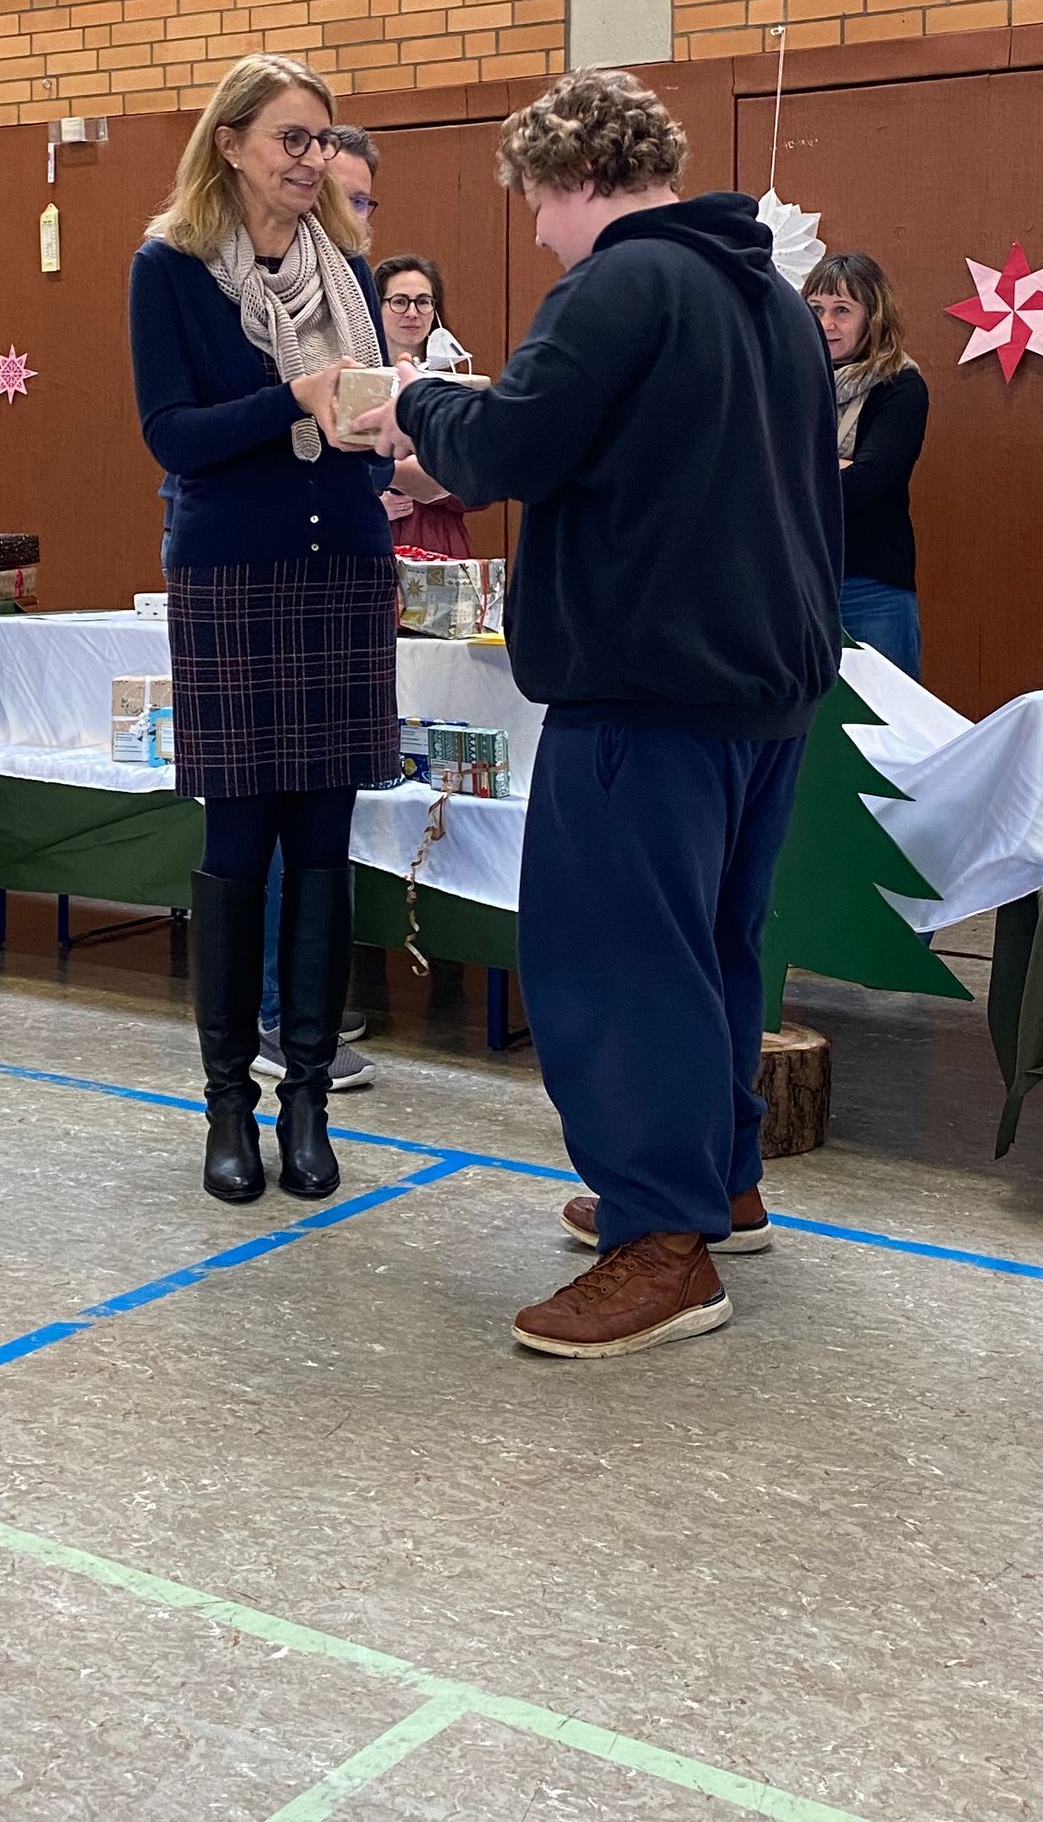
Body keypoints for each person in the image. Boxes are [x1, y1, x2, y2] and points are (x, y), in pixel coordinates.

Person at [359, 69, 842, 1360]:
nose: (535, 232)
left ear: (576, 176)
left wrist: (411, 399)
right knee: (713, 949)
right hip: (764, 683)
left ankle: (662, 1243)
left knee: (619, 965)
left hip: (649, 682)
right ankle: (717, 1183)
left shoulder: (621, 284)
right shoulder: (771, 297)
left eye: (535, 201)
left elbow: (509, 446)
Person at [129, 53, 399, 1206]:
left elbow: (362, 416)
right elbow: (171, 435)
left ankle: (310, 1102)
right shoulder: (171, 267)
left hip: (343, 570)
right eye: (293, 137)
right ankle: (229, 1105)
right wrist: (291, 399)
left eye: (322, 139)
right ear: (230, 142)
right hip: (232, 577)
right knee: (238, 846)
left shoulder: (348, 266)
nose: (312, 158)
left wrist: (384, 421)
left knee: (326, 846)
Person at [253, 118, 381, 1094]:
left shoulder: (355, 289)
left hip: (343, 567)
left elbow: (363, 448)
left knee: (326, 822)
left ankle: (311, 1014)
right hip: (257, 573)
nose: (353, 212)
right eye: (345, 194)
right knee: (264, 813)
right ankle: (270, 1015)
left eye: (367, 199)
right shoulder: (225, 285)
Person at [802, 253, 928, 680]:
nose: (826, 324)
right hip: (795, 584)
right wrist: (834, 466)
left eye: (842, 310)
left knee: (887, 717)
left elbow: (867, 482)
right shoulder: (786, 382)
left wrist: (794, 474)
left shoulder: (900, 385)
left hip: (871, 588)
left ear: (873, 317)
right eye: (815, 309)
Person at [372, 253, 475, 557]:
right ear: (376, 307)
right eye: (399, 301)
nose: (412, 313)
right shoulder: (353, 381)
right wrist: (370, 502)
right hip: (372, 535)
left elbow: (483, 481)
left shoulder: (460, 382)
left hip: (439, 538)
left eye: (423, 302)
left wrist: (435, 479)